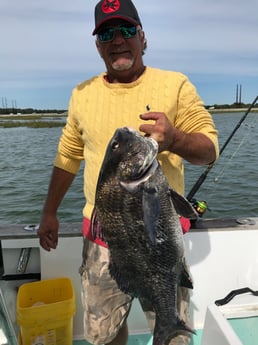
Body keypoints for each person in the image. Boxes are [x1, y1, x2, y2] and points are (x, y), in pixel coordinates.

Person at [38, 0, 219, 344]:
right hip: (102, 239)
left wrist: (175, 139)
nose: (117, 40)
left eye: (126, 30)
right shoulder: (82, 94)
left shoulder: (175, 85)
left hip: (160, 239)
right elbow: (68, 156)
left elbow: (209, 149)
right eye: (107, 33)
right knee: (102, 334)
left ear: (143, 37)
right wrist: (49, 212)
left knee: (174, 333)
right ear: (97, 45)